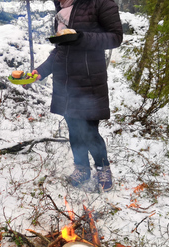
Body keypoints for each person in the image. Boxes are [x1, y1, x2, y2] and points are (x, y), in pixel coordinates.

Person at [32, 0, 123, 192]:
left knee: (89, 130)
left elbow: (115, 37)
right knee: (73, 128)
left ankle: (102, 168)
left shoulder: (100, 3)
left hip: (88, 79)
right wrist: (41, 71)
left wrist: (80, 37)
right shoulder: (62, 7)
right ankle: (82, 167)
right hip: (66, 83)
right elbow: (60, 48)